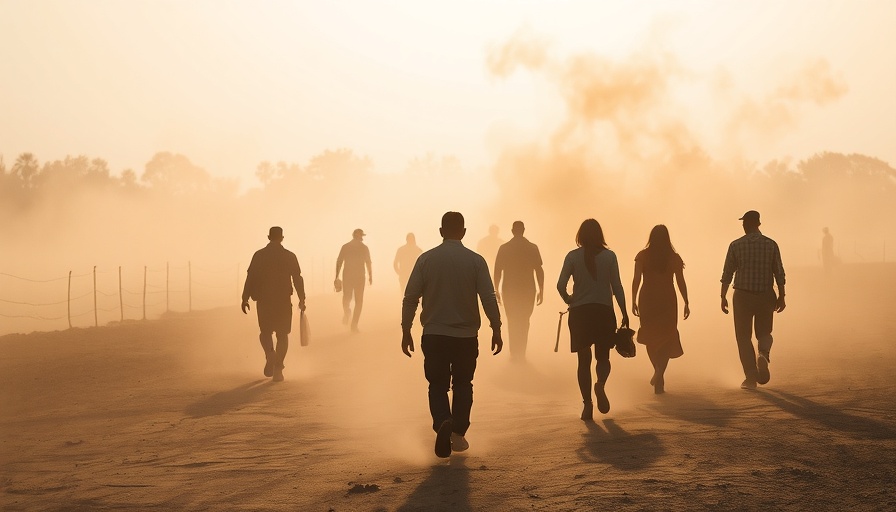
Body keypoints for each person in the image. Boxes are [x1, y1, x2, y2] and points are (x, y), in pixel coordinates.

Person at [401, 212, 503, 458]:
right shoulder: (475, 261)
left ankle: (442, 422)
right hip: (466, 336)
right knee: (463, 384)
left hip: (434, 334)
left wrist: (406, 329)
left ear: (440, 231)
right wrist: (496, 327)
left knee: (437, 384)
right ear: (464, 232)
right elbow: (488, 297)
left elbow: (411, 297)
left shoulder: (426, 260)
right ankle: (458, 430)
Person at [557, 219, 629, 420]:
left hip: (580, 313)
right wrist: (624, 312)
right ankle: (600, 384)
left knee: (583, 361)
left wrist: (569, 299)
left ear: (580, 235)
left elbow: (560, 285)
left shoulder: (572, 257)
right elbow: (617, 287)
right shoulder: (609, 256)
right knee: (603, 357)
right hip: (603, 312)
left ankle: (587, 405)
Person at [720, 210, 786, 390]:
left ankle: (750, 377)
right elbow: (778, 272)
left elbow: (727, 273)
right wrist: (782, 295)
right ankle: (763, 354)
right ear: (759, 224)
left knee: (743, 337)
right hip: (765, 294)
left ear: (745, 224)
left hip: (742, 295)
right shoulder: (771, 244)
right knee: (764, 333)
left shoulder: (736, 245)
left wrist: (723, 295)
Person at [241, 226, 306, 382]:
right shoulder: (289, 256)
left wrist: (245, 298)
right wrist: (302, 298)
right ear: (282, 238)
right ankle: (278, 369)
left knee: (265, 332)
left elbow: (250, 277)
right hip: (283, 300)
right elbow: (297, 278)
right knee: (282, 335)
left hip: (264, 300)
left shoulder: (259, 255)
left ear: (268, 237)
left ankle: (270, 354)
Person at [631, 225, 690, 394]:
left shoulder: (642, 255)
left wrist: (633, 299)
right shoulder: (674, 257)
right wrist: (686, 301)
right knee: (667, 336)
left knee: (650, 336)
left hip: (647, 298)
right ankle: (660, 372)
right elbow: (680, 281)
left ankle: (657, 371)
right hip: (667, 299)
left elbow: (636, 279)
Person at [493, 221, 544, 362]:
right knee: (524, 320)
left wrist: (496, 289)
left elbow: (497, 270)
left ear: (512, 231)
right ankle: (521, 352)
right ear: (523, 230)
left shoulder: (504, 248)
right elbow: (539, 270)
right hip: (528, 289)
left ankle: (514, 352)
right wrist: (541, 290)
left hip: (509, 289)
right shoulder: (532, 247)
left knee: (512, 320)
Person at [335, 228, 372, 333]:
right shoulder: (364, 248)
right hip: (359, 277)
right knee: (359, 301)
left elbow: (339, 261)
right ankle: (354, 325)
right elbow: (368, 262)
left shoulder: (346, 247)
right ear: (360, 237)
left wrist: (336, 276)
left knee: (346, 297)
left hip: (348, 276)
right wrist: (370, 275)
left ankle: (347, 312)